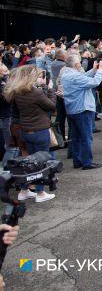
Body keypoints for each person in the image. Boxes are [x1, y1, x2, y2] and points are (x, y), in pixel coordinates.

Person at [3, 65, 56, 202]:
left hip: (26, 130)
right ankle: (40, 193)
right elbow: (51, 105)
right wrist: (50, 89)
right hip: (39, 130)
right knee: (41, 162)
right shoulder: (34, 92)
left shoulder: (17, 91)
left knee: (28, 162)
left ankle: (24, 189)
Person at [60, 54, 102, 170]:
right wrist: (100, 70)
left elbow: (83, 77)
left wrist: (93, 70)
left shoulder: (66, 74)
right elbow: (95, 82)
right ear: (76, 65)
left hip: (72, 110)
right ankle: (87, 162)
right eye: (79, 62)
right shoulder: (75, 77)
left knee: (76, 137)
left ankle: (78, 161)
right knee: (86, 137)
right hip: (82, 109)